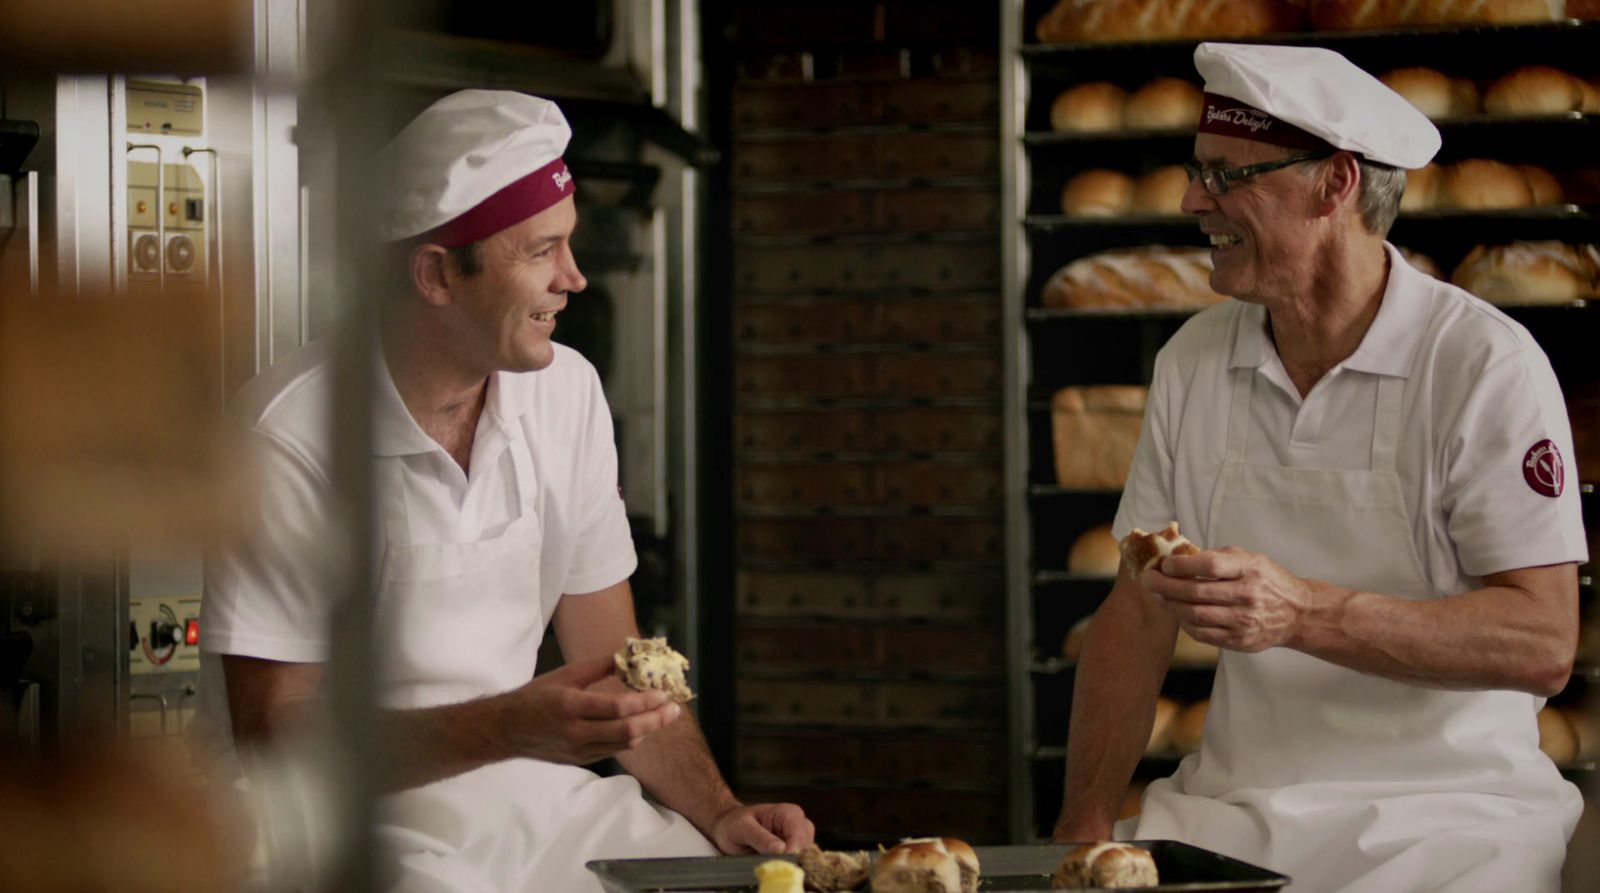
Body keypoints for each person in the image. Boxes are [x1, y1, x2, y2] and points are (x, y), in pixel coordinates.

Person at [198, 90, 813, 891]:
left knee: (700, 879)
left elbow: (615, 666)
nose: (575, 278)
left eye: (571, 246)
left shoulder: (568, 393)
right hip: (327, 819)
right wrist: (507, 723)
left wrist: (722, 811)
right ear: (436, 275)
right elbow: (276, 738)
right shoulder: (290, 435)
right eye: (542, 251)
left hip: (525, 794)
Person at [1052, 43, 1587, 892]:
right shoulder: (1193, 360)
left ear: (1335, 184)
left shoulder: (1484, 363)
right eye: (1198, 172)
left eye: (1227, 175)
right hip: (1234, 809)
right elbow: (1137, 612)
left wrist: (1302, 611)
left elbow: (1542, 642)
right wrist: (1078, 828)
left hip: (1452, 820)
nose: (1194, 200)